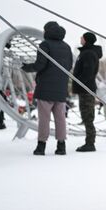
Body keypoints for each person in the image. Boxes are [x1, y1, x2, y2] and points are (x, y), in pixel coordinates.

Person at [22, 21, 73, 155]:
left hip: (45, 88)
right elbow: (68, 67)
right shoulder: (67, 47)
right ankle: (61, 146)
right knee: (60, 118)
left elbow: (40, 65)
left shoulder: (45, 45)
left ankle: (41, 146)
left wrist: (26, 67)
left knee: (44, 119)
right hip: (61, 88)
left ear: (48, 31)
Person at [72, 32, 103, 152]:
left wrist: (79, 81)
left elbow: (88, 72)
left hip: (86, 89)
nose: (80, 38)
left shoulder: (89, 53)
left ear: (86, 40)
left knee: (87, 117)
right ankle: (89, 142)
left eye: (82, 37)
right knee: (86, 116)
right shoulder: (86, 52)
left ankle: (90, 143)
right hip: (84, 88)